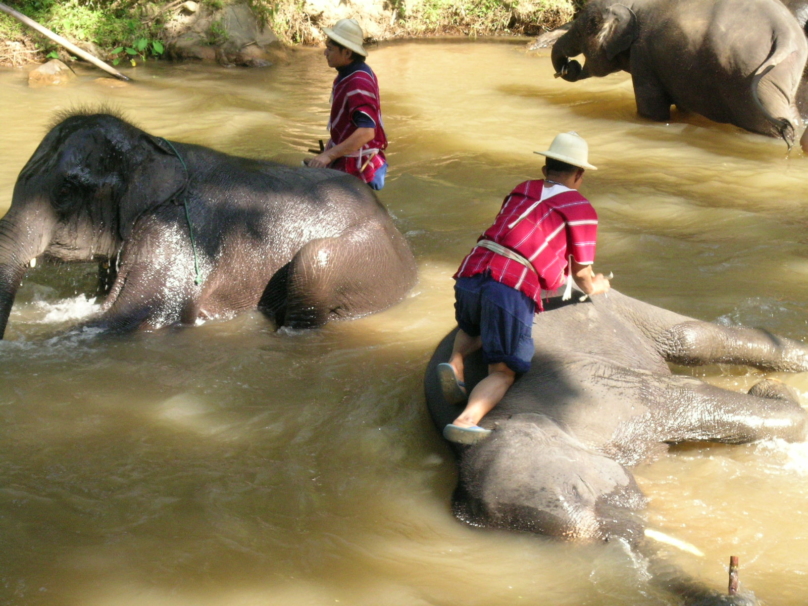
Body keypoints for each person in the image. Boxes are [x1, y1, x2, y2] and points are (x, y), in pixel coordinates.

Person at [439, 132, 611, 445]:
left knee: (471, 325)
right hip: (511, 284)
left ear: (546, 169)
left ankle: (455, 362)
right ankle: (467, 419)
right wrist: (596, 287)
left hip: (473, 269)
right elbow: (581, 271)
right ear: (579, 175)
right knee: (503, 371)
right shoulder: (579, 206)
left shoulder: (523, 188)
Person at [307, 18, 388, 190]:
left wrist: (328, 156)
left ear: (347, 53)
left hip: (359, 163)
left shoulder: (358, 83)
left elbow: (367, 132)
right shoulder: (348, 73)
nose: (325, 53)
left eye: (330, 49)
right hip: (349, 153)